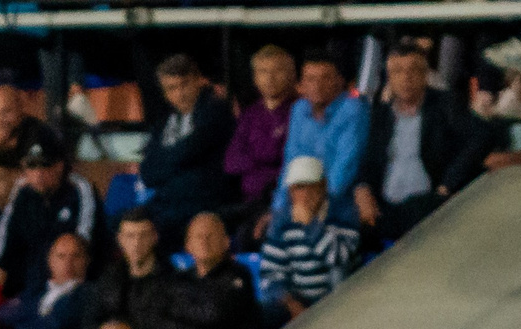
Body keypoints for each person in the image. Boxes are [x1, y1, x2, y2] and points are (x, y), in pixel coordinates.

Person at [355, 42, 488, 245]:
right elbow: (369, 160)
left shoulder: (444, 105)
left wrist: (448, 184)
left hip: (428, 202)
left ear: (425, 74)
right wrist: (362, 189)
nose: (406, 78)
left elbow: (482, 136)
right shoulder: (381, 114)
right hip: (388, 205)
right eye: (398, 71)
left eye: (413, 70)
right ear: (389, 78)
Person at [267, 52, 368, 232]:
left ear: (339, 81)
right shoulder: (299, 110)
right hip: (299, 201)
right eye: (310, 79)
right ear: (301, 85)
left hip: (338, 203)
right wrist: (278, 210)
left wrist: (313, 208)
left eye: (325, 78)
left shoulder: (353, 109)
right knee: (261, 232)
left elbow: (345, 168)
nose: (317, 86)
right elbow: (290, 164)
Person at [136, 55, 237, 231]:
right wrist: (178, 160)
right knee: (122, 223)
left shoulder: (215, 111)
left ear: (199, 81)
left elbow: (190, 149)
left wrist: (163, 160)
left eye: (185, 85)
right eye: (172, 88)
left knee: (157, 230)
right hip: (167, 203)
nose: (180, 94)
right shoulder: (163, 123)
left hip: (203, 203)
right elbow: (147, 173)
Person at [0, 139, 98, 303]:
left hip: (71, 286)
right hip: (27, 287)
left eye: (45, 166)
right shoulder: (22, 192)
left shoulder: (79, 190)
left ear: (60, 166)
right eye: (32, 167)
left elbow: (83, 245)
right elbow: (5, 241)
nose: (38, 173)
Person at [260, 158, 362, 318]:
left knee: (338, 273)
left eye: (310, 186)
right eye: (299, 188)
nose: (305, 194)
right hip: (299, 301)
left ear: (323, 186)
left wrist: (311, 225)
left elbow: (340, 258)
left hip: (341, 298)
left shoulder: (343, 211)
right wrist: (291, 304)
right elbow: (271, 273)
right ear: (290, 192)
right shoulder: (282, 220)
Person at [226, 44, 299, 218]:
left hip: (285, 201)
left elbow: (290, 162)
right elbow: (231, 162)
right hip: (248, 202)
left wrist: (257, 162)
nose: (270, 78)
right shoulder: (250, 114)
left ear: (291, 75)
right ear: (255, 78)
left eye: (277, 71)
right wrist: (266, 161)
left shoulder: (300, 111)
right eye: (263, 72)